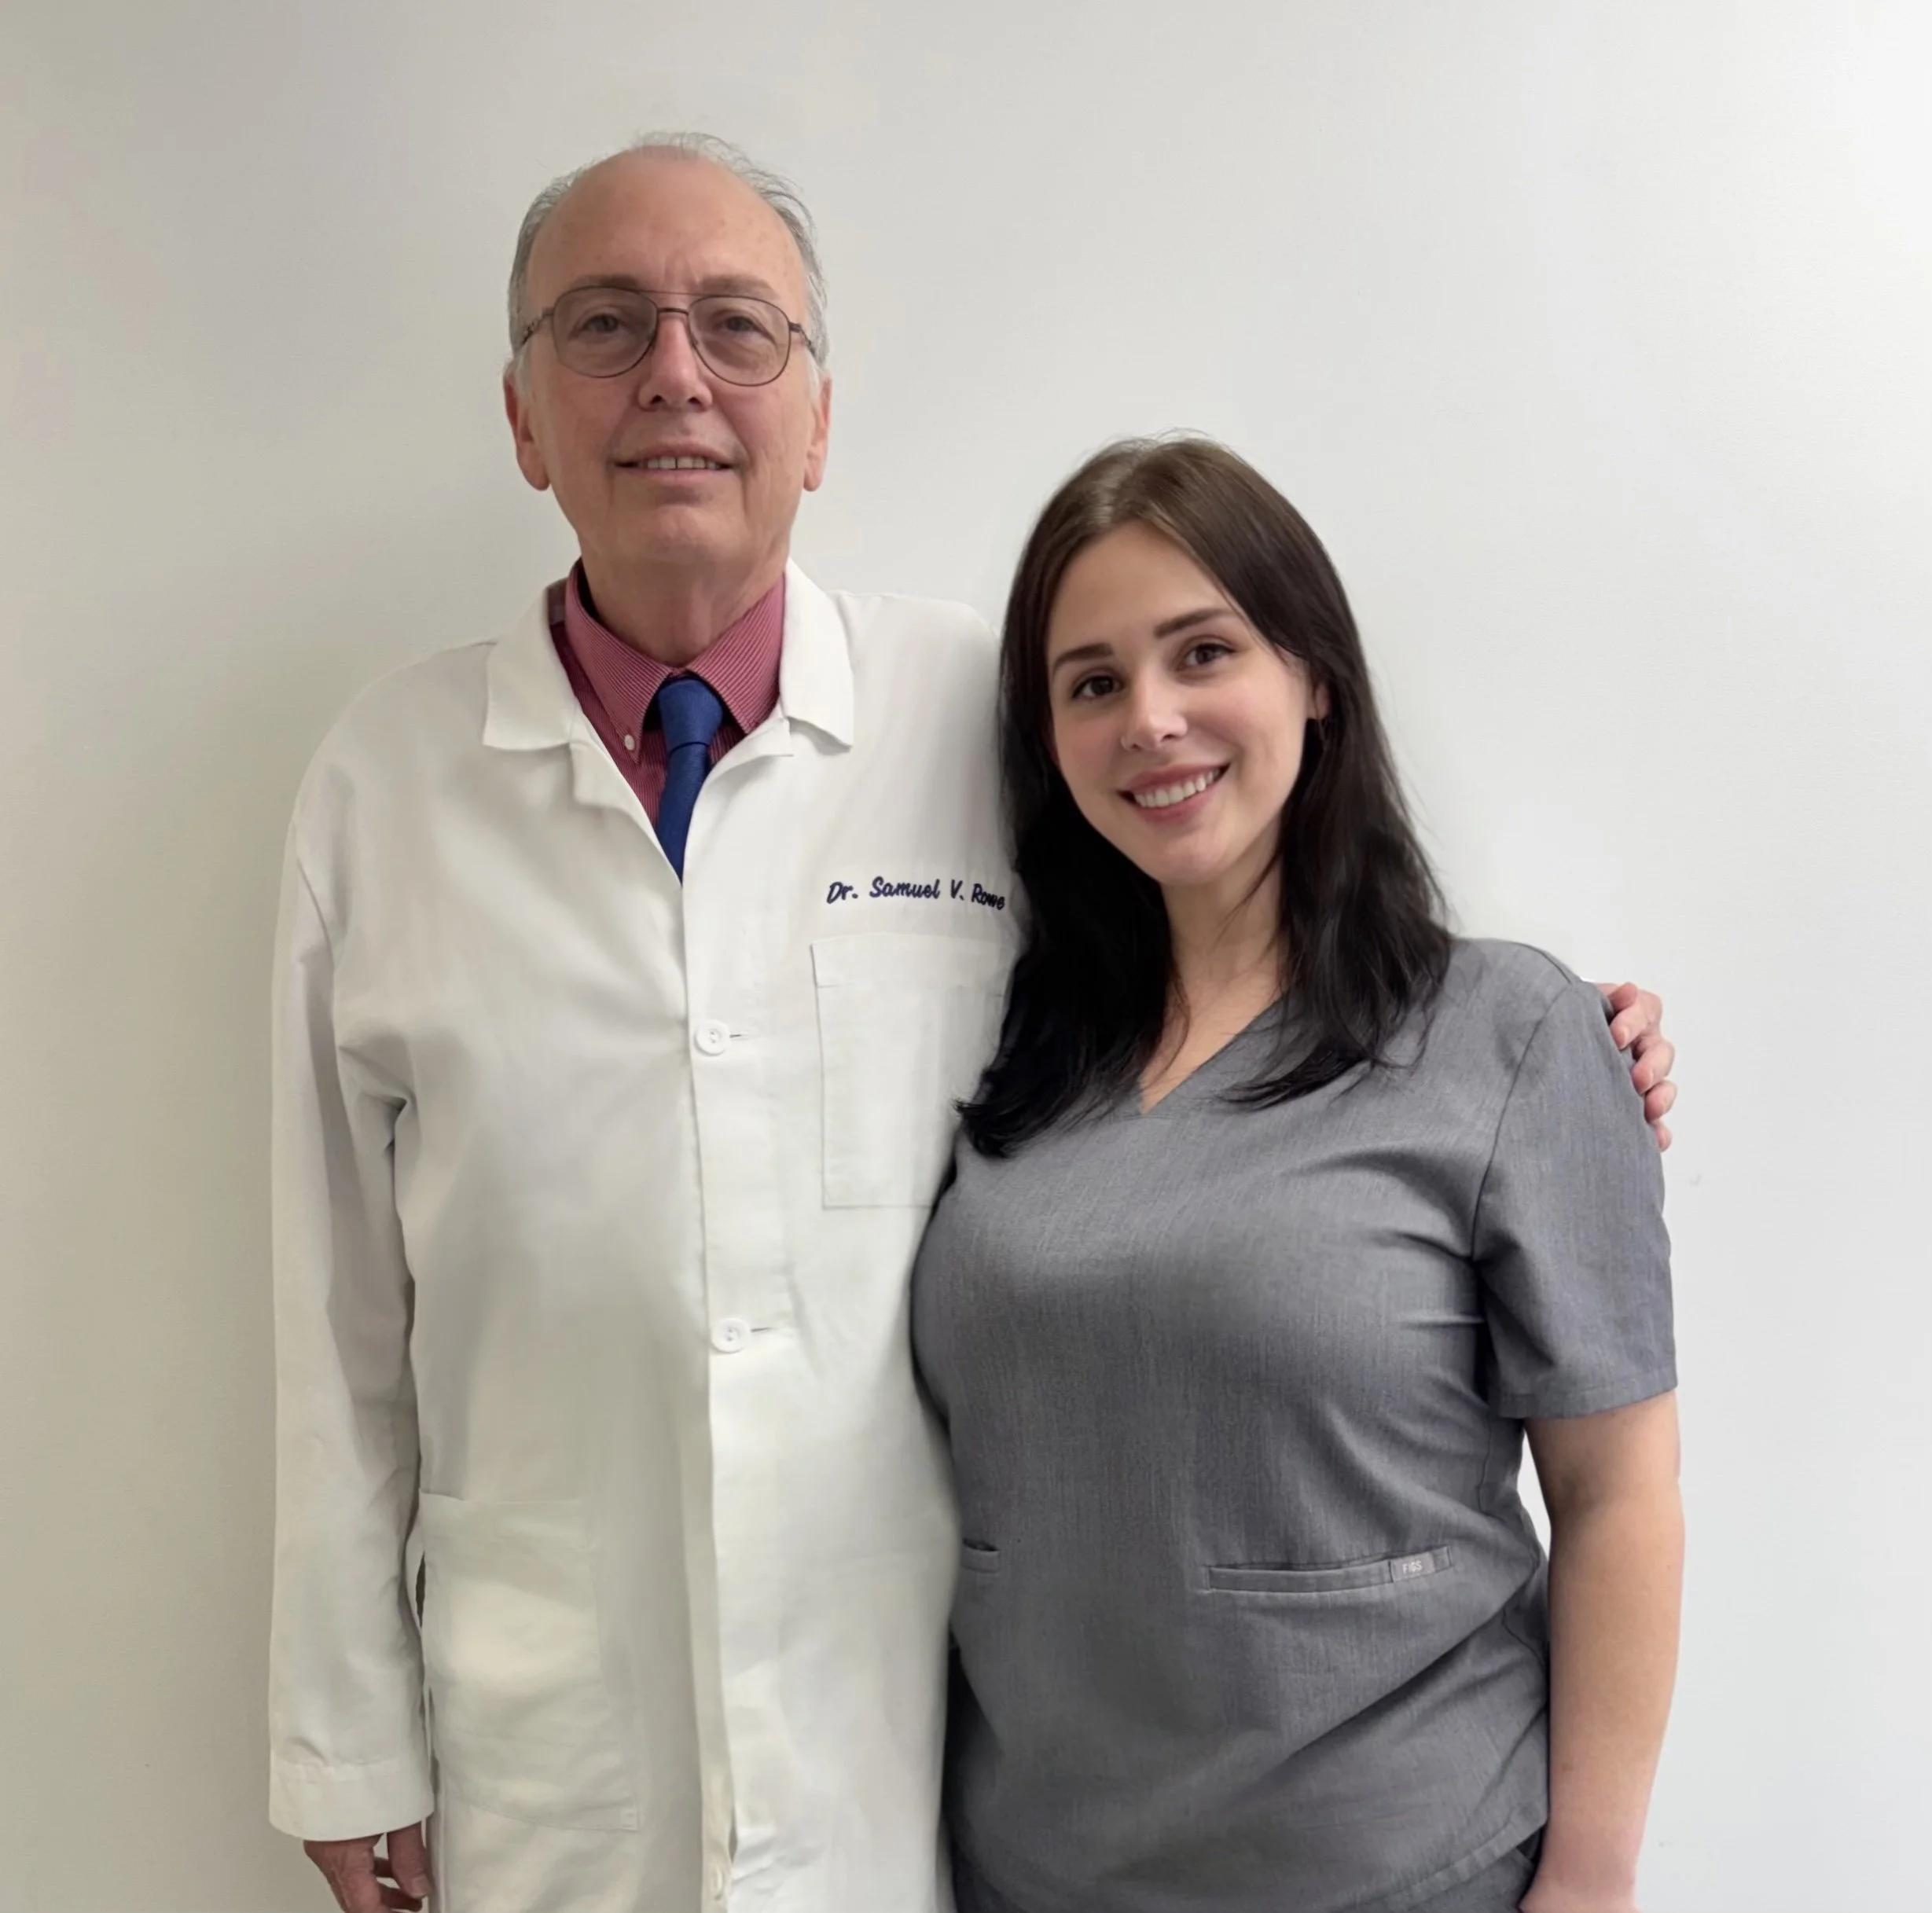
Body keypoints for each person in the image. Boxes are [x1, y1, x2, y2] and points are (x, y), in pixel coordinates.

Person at [268, 138, 1679, 1913]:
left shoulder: (968, 709)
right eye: (605, 326)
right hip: (566, 1730)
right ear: (523, 414)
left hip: (909, 1750)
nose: (675, 378)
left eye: (738, 327)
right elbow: (336, 1316)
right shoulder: (381, 784)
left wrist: (1562, 1043)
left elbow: (1253, 902)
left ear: (821, 416)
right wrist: (343, 1734)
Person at [912, 437, 1683, 1913]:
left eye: (1202, 652)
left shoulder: (1508, 1035)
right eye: (1090, 682)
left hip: (1398, 1870)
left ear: (1312, 676)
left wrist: (1590, 1877)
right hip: (1036, 1873)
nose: (1150, 719)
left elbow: (1619, 1496)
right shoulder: (1010, 1055)